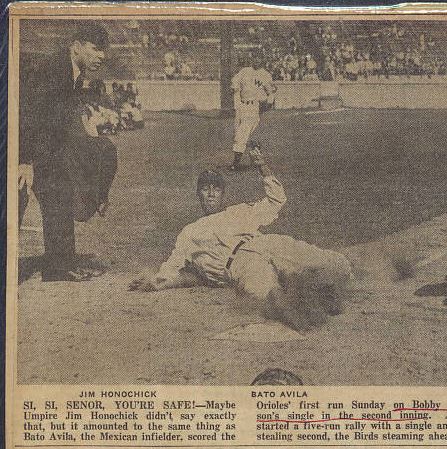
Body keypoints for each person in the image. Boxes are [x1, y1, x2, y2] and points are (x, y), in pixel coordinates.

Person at [129, 146, 352, 331]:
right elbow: (175, 266)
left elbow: (276, 199)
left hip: (267, 243)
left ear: (222, 193)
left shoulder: (240, 211)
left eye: (216, 189)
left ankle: (332, 284)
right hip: (240, 264)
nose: (211, 194)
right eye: (205, 189)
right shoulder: (190, 232)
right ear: (199, 194)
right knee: (270, 299)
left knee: (333, 263)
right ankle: (314, 302)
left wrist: (262, 166)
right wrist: (155, 282)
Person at [19, 24, 114, 281]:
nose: (101, 56)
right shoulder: (53, 69)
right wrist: (25, 160)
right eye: (95, 49)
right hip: (19, 141)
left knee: (58, 194)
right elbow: (29, 113)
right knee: (15, 200)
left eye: (103, 51)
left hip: (44, 146)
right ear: (76, 46)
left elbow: (61, 116)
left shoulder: (74, 70)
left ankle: (58, 267)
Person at [228, 57, 274, 172]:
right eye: (255, 58)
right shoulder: (245, 71)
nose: (256, 61)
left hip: (253, 107)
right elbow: (234, 83)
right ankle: (256, 152)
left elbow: (271, 93)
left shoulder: (265, 75)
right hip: (241, 106)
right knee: (238, 134)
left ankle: (235, 164)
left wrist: (267, 104)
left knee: (241, 136)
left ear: (262, 61)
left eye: (259, 59)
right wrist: (234, 89)